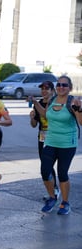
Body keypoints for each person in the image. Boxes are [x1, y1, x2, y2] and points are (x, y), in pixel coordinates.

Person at [31, 75, 82, 215]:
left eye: (64, 85)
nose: (61, 87)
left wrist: (79, 109)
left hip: (67, 143)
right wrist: (35, 103)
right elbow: (46, 115)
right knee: (45, 171)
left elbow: (81, 122)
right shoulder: (52, 100)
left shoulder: (73, 102)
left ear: (70, 88)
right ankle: (52, 198)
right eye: (59, 84)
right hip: (50, 141)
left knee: (62, 173)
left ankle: (65, 203)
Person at [29, 81, 59, 200]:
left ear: (52, 90)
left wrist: (35, 102)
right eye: (42, 89)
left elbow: (47, 115)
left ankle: (55, 189)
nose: (44, 91)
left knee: (49, 164)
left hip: (55, 137)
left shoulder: (56, 102)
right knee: (46, 165)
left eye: (47, 88)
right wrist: (32, 118)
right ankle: (53, 189)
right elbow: (34, 124)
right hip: (42, 137)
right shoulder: (39, 103)